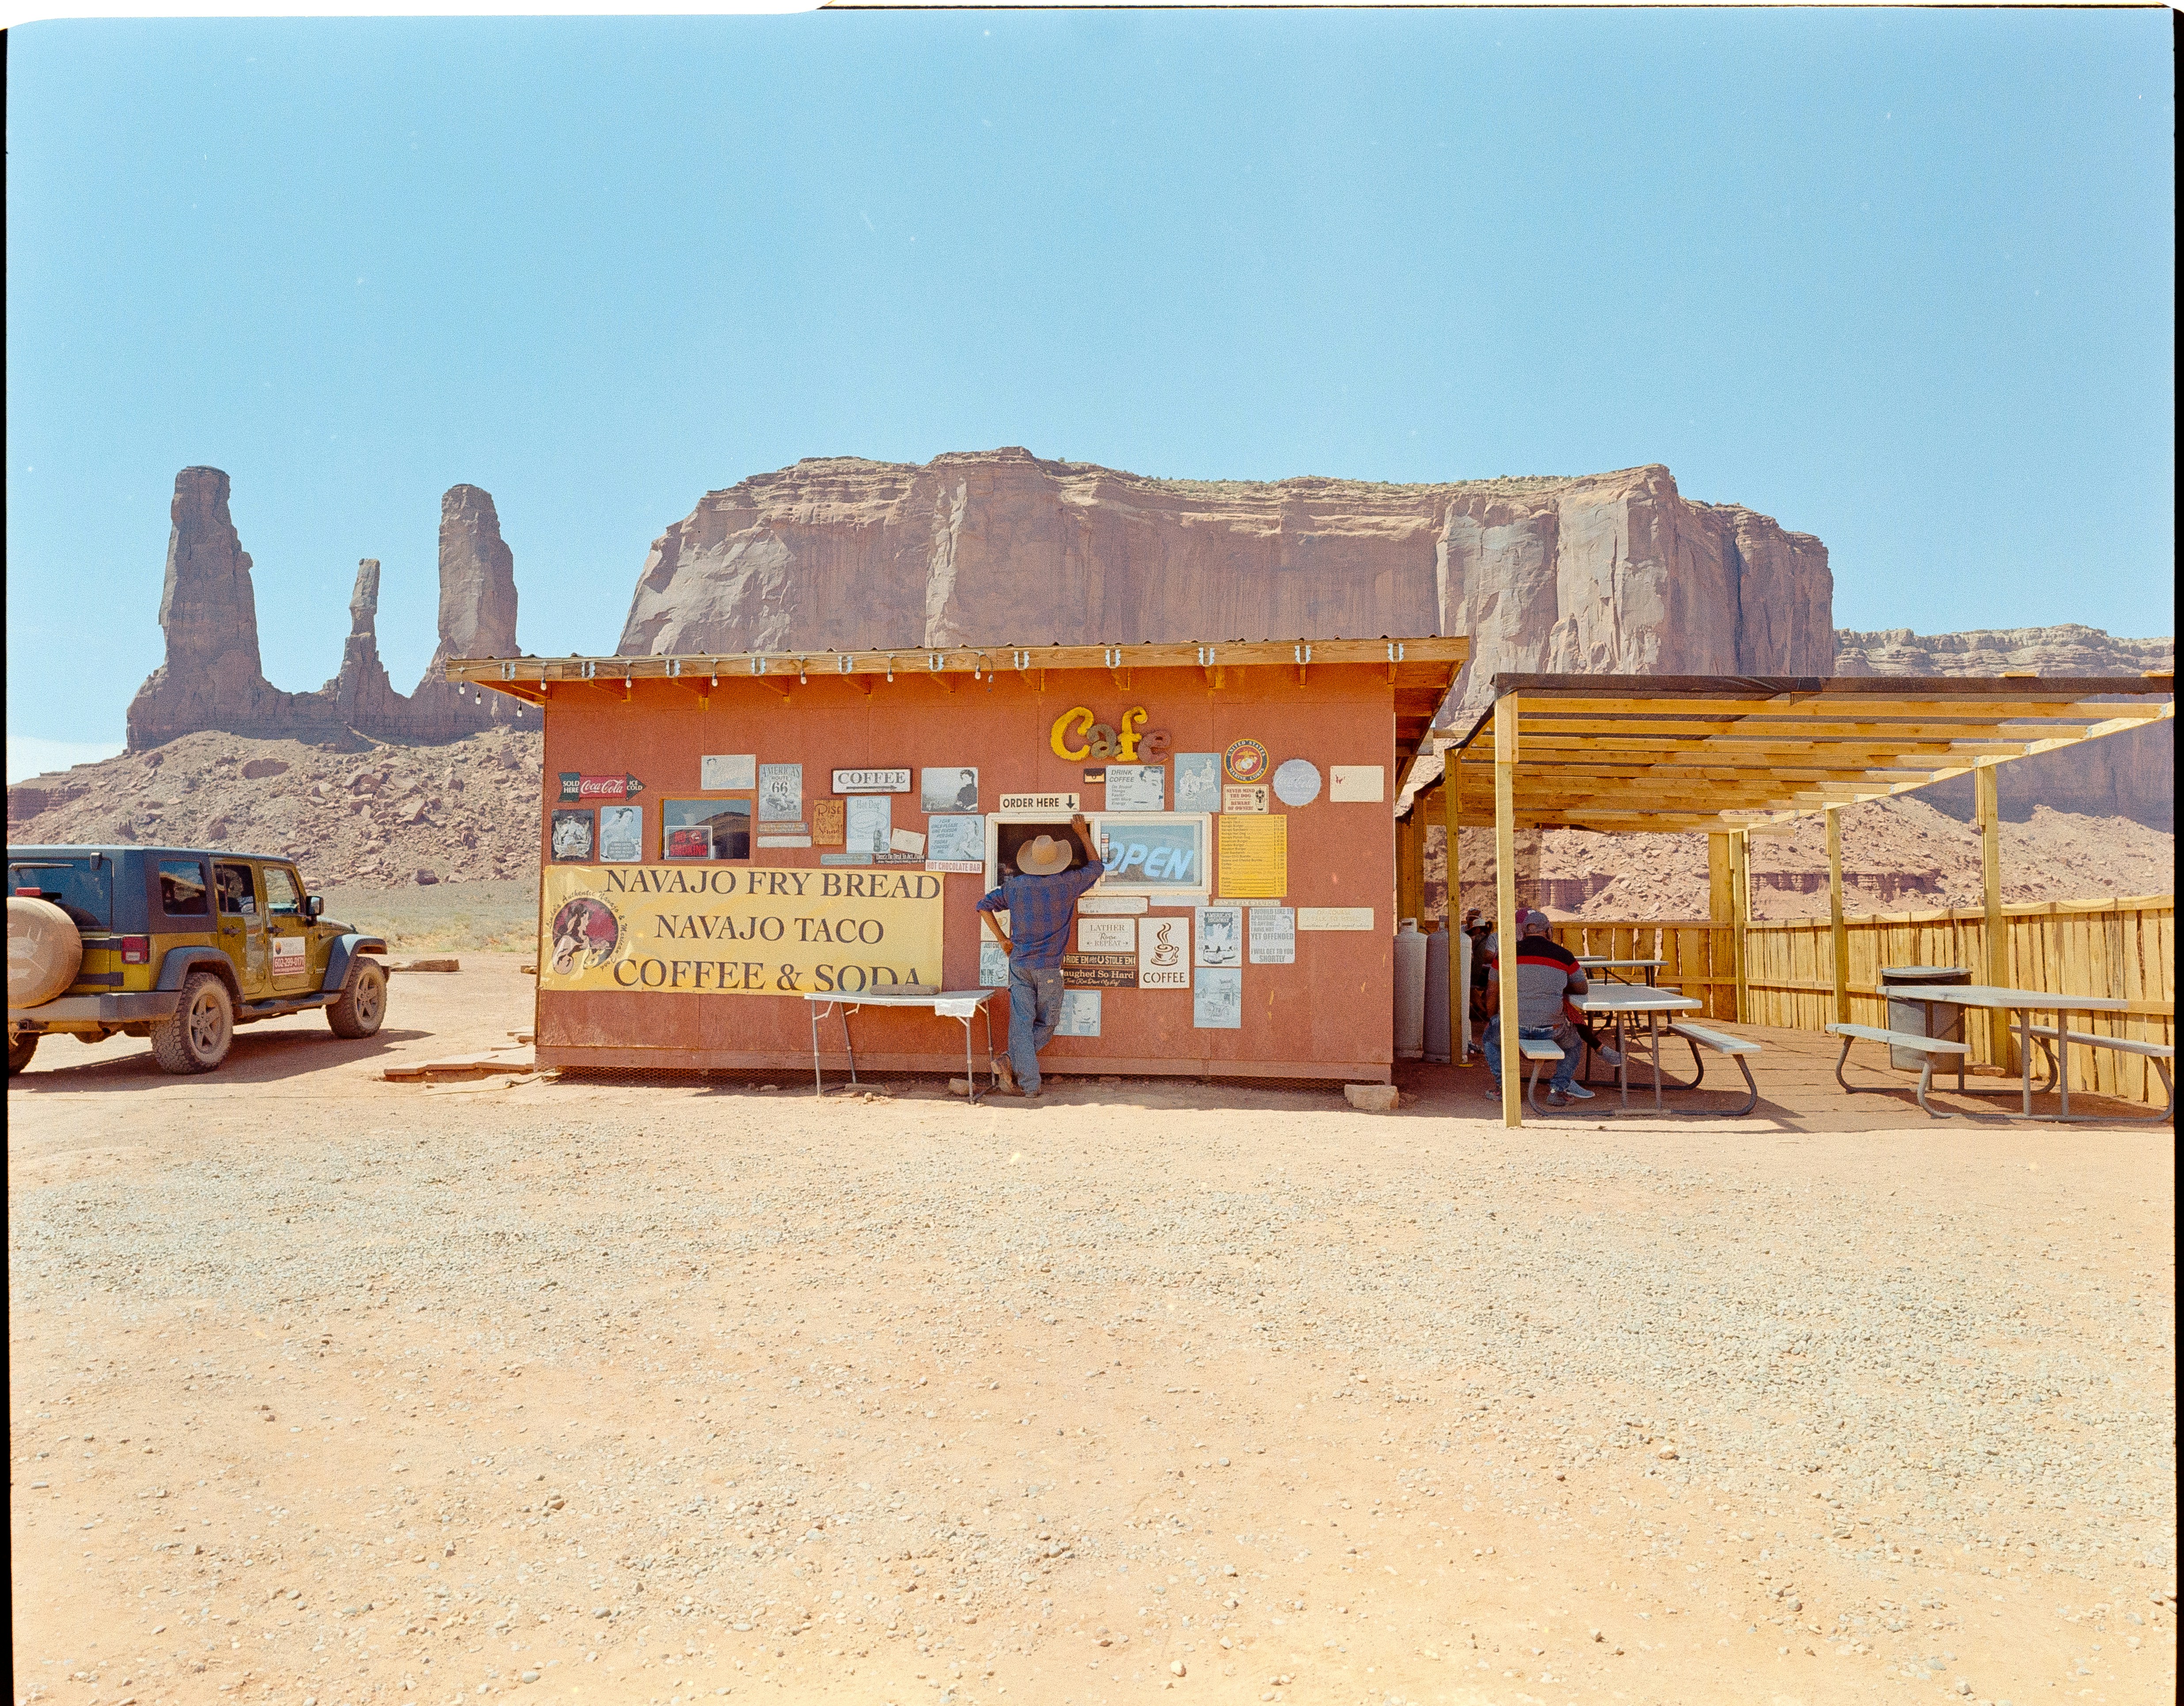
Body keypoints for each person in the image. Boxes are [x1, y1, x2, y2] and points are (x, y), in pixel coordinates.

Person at [975, 814, 1106, 1098]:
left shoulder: (1015, 886)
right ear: (1058, 861)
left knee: (1021, 1023)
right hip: (1048, 967)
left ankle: (1020, 1072)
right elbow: (1097, 867)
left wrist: (1003, 940)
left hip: (1020, 963)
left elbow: (983, 905)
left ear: (1031, 861)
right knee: (1047, 1023)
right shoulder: (1068, 884)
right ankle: (1017, 1069)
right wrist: (1083, 833)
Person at [1481, 908, 1594, 1104]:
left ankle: (1505, 1088)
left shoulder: (1506, 954)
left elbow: (1492, 992)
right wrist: (1558, 985)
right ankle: (1558, 1090)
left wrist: (1491, 1019)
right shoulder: (1564, 955)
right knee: (1574, 1043)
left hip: (1513, 1027)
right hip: (1552, 1029)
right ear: (1548, 931)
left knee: (1490, 1039)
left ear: (1524, 932)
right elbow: (1582, 988)